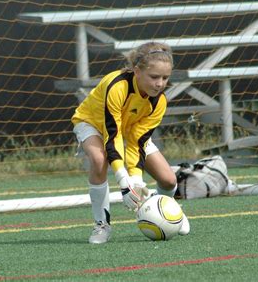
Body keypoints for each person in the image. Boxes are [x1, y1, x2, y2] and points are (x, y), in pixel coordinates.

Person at [72, 42, 190, 244]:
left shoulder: (159, 102)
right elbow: (113, 134)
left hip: (128, 128)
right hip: (92, 123)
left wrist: (136, 182)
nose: (160, 84)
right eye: (154, 77)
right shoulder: (117, 85)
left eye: (165, 78)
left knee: (169, 180)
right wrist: (124, 182)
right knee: (99, 160)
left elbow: (138, 140)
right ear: (137, 71)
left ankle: (167, 213)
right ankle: (102, 225)